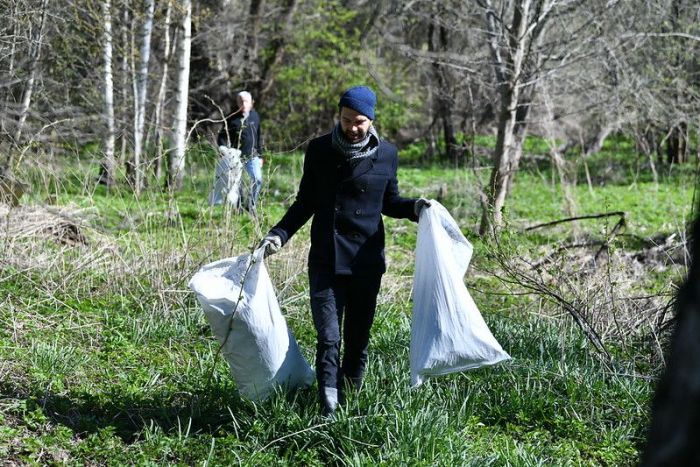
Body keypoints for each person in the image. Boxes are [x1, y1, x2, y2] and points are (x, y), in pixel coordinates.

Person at [258, 85, 430, 416]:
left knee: (357, 338)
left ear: (371, 121)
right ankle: (328, 405)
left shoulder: (387, 154)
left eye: (360, 122)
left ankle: (351, 396)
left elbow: (390, 202)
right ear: (338, 116)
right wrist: (279, 234)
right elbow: (305, 202)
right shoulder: (320, 150)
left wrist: (416, 208)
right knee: (328, 336)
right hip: (326, 257)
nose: (352, 128)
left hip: (366, 261)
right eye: (347, 119)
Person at [217, 91, 264, 213]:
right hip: (235, 157)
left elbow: (259, 136)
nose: (243, 103)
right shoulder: (231, 119)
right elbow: (221, 137)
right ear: (237, 103)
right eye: (241, 101)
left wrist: (260, 155)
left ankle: (251, 205)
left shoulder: (255, 116)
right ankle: (239, 207)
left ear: (251, 102)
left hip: (252, 156)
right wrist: (223, 150)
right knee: (236, 184)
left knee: (257, 179)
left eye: (246, 101)